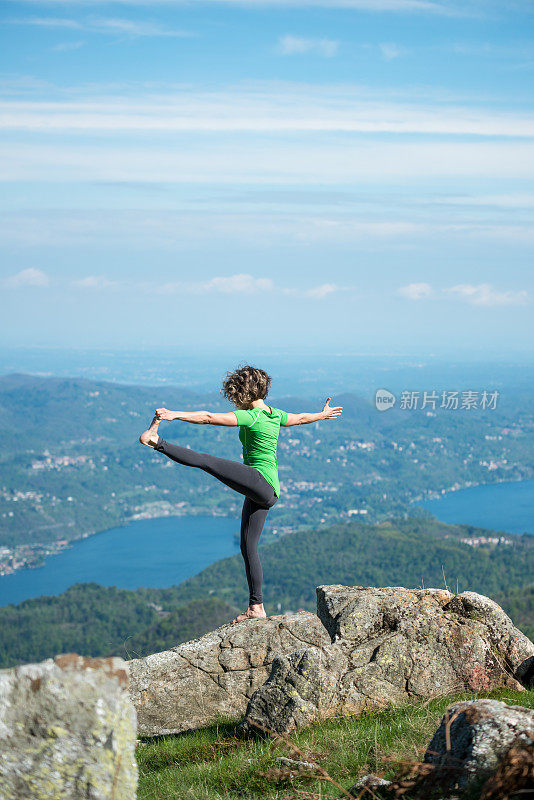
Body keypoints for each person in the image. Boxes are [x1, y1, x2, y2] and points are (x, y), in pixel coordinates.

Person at [139, 365, 342, 623]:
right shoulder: (274, 413)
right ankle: (256, 607)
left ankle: (156, 441)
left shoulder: (253, 416)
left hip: (259, 483)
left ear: (242, 392)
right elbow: (300, 418)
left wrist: (174, 414)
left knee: (207, 461)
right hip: (266, 491)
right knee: (248, 547)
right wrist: (321, 415)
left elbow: (208, 417)